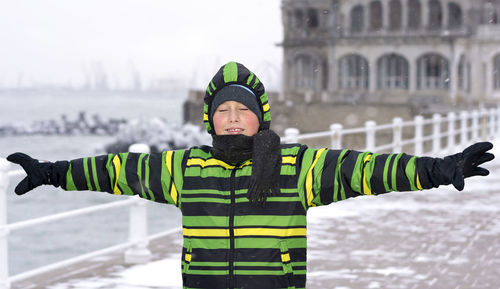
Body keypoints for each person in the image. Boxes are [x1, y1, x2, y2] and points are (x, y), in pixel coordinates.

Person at [8, 61, 494, 289]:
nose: (235, 117)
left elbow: (366, 169)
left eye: (244, 109)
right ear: (210, 119)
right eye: (225, 110)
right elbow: (116, 171)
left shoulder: (296, 167)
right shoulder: (184, 169)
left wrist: (438, 168)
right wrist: (51, 171)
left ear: (260, 116)